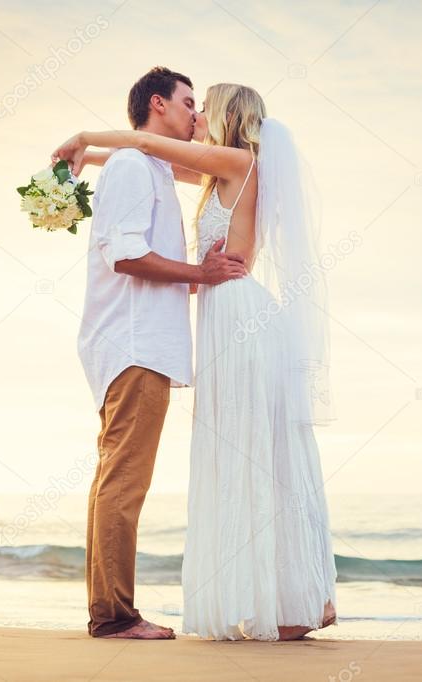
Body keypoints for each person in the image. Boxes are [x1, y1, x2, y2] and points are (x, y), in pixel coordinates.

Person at [54, 80, 338, 642]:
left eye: (203, 106)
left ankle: (300, 598)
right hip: (218, 313)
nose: (197, 114)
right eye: (191, 104)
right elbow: (148, 155)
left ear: (228, 116)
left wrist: (85, 136)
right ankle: (283, 599)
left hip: (237, 314)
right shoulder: (218, 170)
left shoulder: (237, 159)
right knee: (244, 452)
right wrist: (96, 157)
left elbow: (153, 149)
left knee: (256, 451)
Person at [63, 67, 247, 640]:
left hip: (145, 343)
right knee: (125, 481)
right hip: (135, 344)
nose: (197, 115)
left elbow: (155, 244)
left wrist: (194, 278)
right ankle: (115, 618)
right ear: (159, 104)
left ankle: (109, 612)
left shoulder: (153, 169)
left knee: (117, 479)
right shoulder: (131, 167)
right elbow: (126, 255)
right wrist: (201, 273)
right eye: (190, 103)